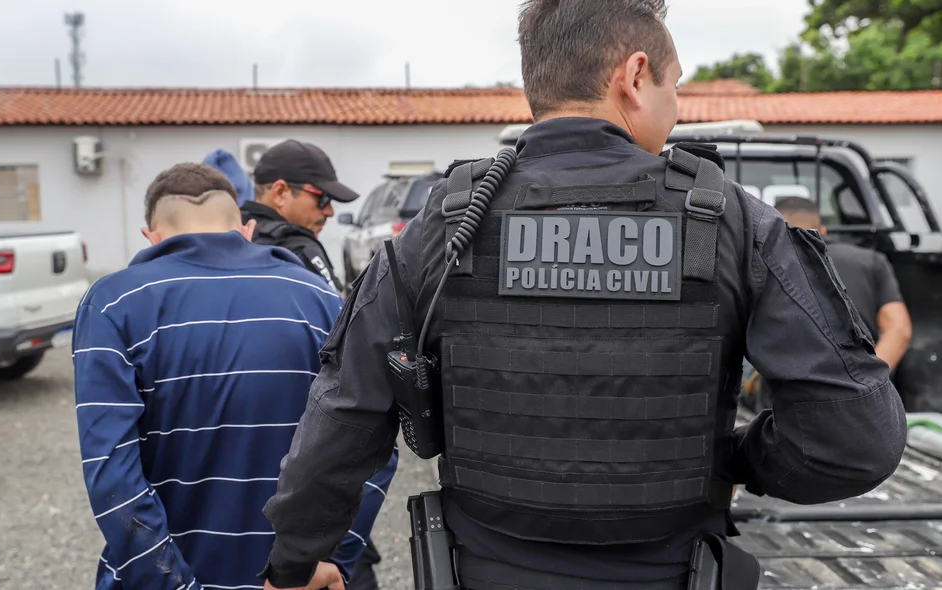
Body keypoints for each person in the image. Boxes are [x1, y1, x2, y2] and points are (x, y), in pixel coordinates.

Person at [258, 1, 908, 589]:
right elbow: (856, 441)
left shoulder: (441, 225)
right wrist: (735, 457)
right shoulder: (735, 222)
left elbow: (344, 416)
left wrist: (295, 563)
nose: (676, 107)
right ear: (633, 75)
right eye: (674, 87)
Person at [72, 162, 394, 590]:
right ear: (245, 230)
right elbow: (373, 444)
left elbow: (111, 475)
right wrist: (318, 564)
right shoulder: (318, 297)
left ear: (150, 236)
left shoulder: (114, 304)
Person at [774, 196, 912, 370]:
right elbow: (899, 329)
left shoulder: (763, 265)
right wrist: (869, 379)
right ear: (822, 231)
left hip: (789, 384)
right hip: (858, 382)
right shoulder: (871, 261)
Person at [239, 139, 359, 293]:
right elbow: (338, 314)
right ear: (280, 193)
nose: (330, 212)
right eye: (322, 198)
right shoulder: (299, 248)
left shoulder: (226, 234)